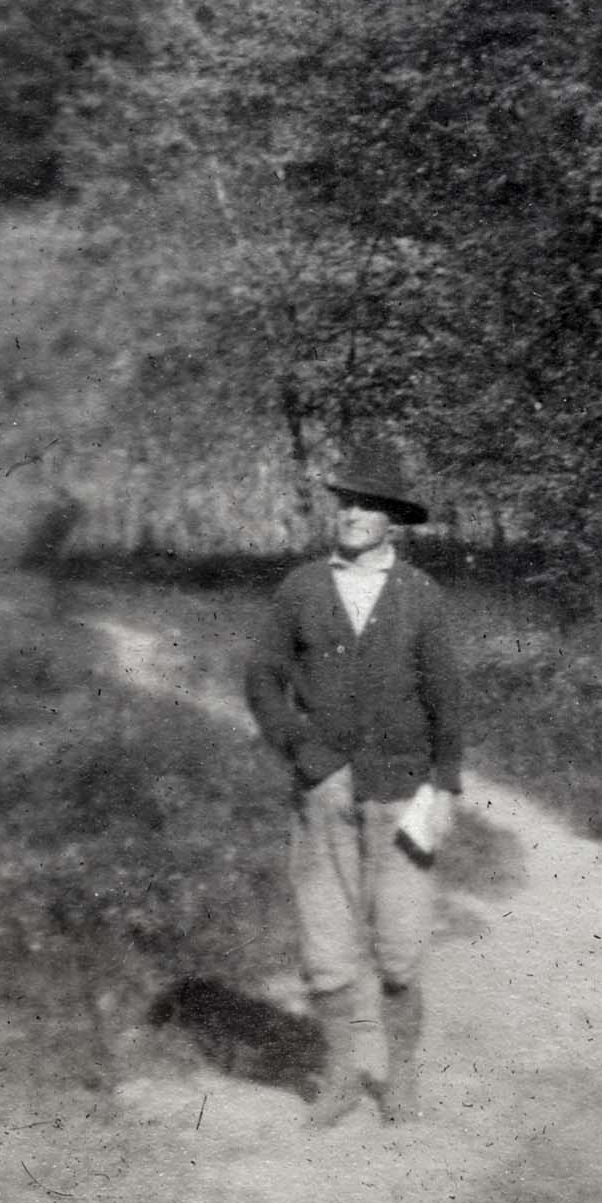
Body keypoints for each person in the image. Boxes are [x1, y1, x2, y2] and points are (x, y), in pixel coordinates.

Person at [245, 442, 463, 1128]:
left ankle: (401, 1078)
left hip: (403, 794)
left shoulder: (421, 595)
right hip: (324, 794)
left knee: (400, 949)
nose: (353, 515)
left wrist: (447, 785)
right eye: (346, 503)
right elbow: (262, 678)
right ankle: (339, 1078)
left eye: (369, 506)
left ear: (393, 520)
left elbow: (446, 695)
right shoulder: (302, 588)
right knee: (327, 950)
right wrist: (302, 749)